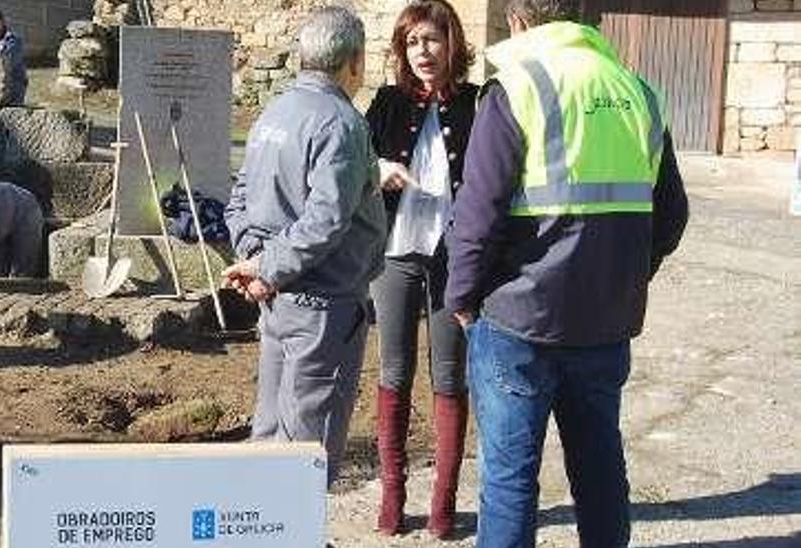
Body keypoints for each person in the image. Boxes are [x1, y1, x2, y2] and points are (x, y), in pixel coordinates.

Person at [445, 0, 688, 545]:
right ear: (583, 15)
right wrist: (626, 275)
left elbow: (477, 218)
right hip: (605, 322)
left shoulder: (516, 89)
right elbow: (671, 214)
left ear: (519, 21)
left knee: (510, 479)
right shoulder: (638, 92)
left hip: (517, 322)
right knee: (600, 467)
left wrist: (461, 297)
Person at [221, 6, 387, 486]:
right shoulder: (340, 123)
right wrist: (266, 268)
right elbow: (325, 220)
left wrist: (256, 260)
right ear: (354, 62)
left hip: (279, 300)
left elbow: (241, 198)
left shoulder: (276, 112)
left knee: (271, 431)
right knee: (307, 446)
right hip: (321, 305)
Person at [363, 0, 477, 538]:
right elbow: (349, 164)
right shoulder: (386, 102)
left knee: (450, 377)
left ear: (451, 43)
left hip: (455, 259)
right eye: (412, 43)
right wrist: (377, 169)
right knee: (393, 371)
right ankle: (392, 498)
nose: (423, 52)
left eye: (431, 40)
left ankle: (443, 506)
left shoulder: (479, 104)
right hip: (396, 253)